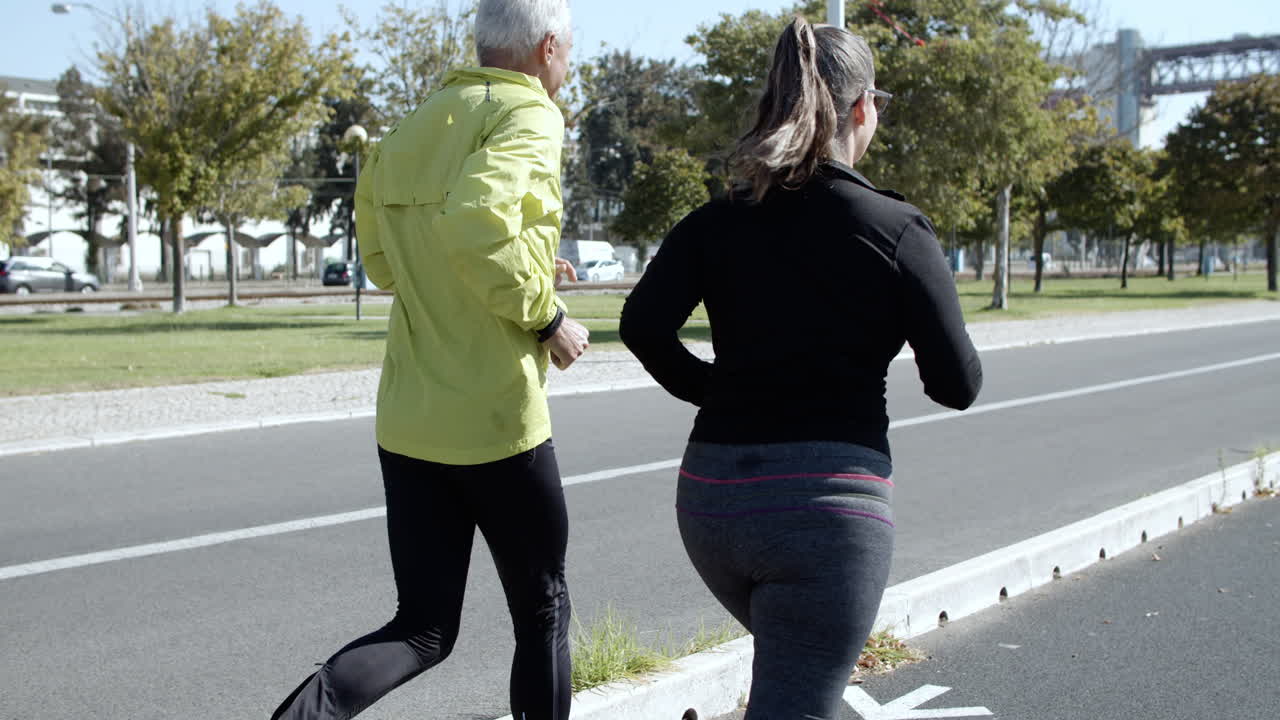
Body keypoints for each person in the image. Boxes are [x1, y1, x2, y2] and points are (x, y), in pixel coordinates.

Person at [619, 16, 982, 720]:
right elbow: (956, 384)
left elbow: (641, 326)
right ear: (861, 108)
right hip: (824, 515)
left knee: (791, 682)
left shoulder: (720, 219)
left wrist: (714, 390)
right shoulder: (894, 228)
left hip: (712, 503)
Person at [269, 1, 586, 718]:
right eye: (568, 51)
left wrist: (535, 263)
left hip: (410, 421)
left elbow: (385, 264)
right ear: (545, 48)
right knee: (543, 612)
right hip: (498, 421)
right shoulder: (529, 114)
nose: (567, 66)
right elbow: (474, 222)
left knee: (422, 628)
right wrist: (548, 317)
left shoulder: (409, 128)